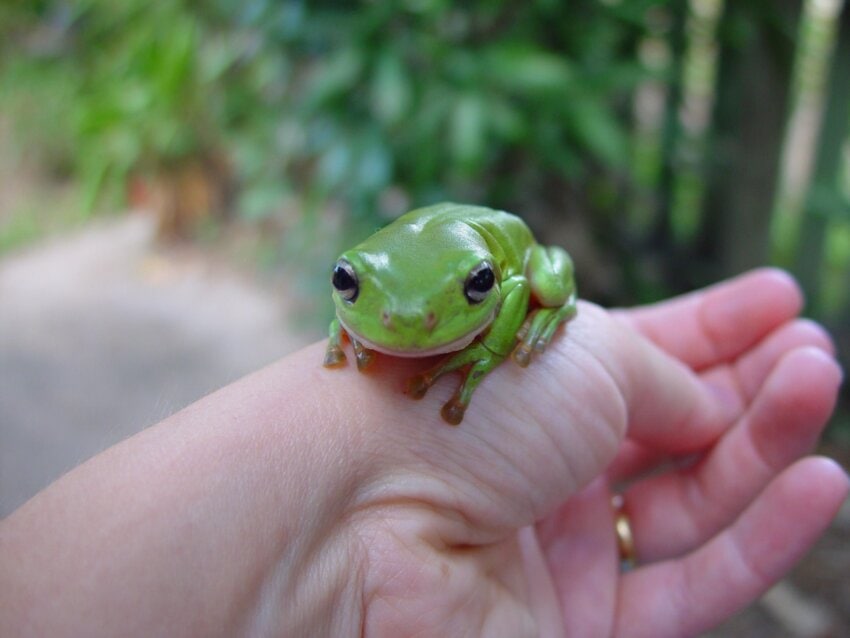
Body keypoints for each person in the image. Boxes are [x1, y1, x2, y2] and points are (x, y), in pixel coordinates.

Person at [0, 269, 846, 637]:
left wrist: (495, 346)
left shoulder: (499, 279)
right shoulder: (383, 302)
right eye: (349, 290)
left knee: (532, 282)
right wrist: (348, 331)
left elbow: (520, 279)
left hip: (510, 264)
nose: (401, 324)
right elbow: (381, 294)